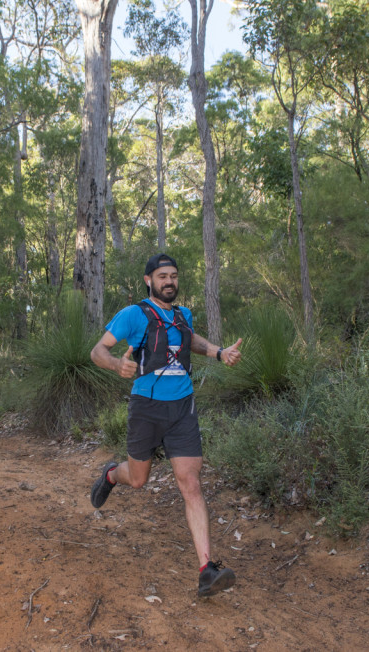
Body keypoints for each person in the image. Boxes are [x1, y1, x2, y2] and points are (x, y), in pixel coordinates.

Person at [89, 253, 244, 597]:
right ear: (148, 280)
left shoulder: (182, 315)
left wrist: (219, 353)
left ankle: (207, 569)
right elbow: (97, 351)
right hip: (146, 409)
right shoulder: (134, 314)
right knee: (139, 479)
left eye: (173, 275)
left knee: (190, 481)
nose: (169, 281)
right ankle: (113, 474)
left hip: (182, 410)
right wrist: (116, 366)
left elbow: (191, 341)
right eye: (162, 276)